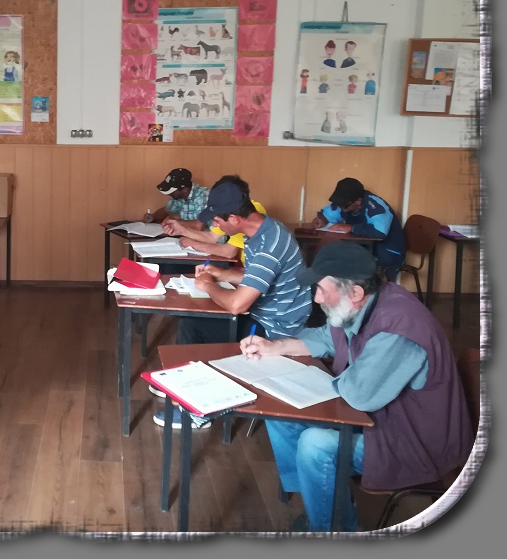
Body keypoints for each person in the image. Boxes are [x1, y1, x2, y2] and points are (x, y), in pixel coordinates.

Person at [241, 242, 473, 532]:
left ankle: (334, 531)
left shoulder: (399, 327)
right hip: (380, 418)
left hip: (414, 440)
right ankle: (320, 502)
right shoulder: (359, 303)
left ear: (355, 292)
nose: (316, 298)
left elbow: (359, 395)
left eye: (321, 289)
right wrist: (274, 346)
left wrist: (325, 381)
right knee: (280, 414)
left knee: (315, 445)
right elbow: (325, 337)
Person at [152, 179, 312, 429]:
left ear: (235, 219)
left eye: (217, 221)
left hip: (276, 328)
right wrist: (222, 274)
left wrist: (208, 285)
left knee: (194, 326)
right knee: (195, 320)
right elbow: (255, 277)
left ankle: (196, 410)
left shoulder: (269, 244)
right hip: (263, 314)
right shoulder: (263, 230)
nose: (215, 226)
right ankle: (184, 387)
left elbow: (238, 305)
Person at [312, 177, 406, 281]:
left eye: (343, 205)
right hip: (363, 247)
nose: (340, 207)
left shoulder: (375, 206)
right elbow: (328, 214)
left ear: (358, 201)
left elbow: (379, 232)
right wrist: (321, 220)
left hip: (387, 251)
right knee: (331, 256)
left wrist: (351, 227)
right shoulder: (345, 204)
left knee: (348, 263)